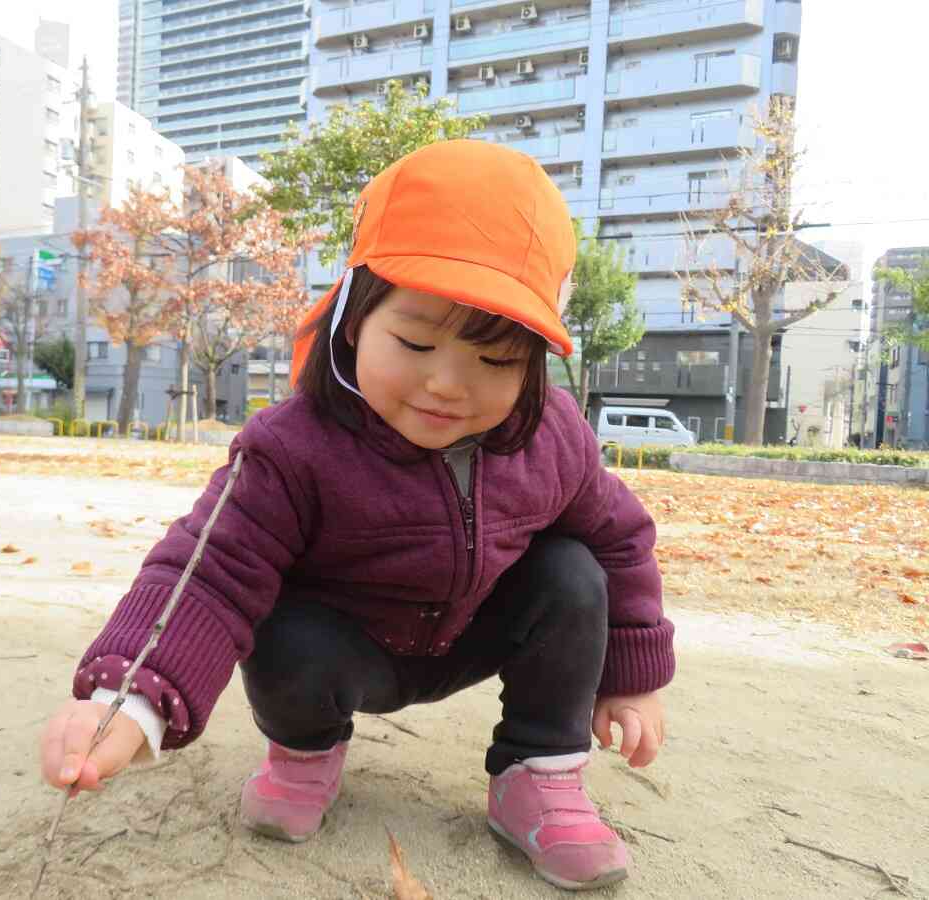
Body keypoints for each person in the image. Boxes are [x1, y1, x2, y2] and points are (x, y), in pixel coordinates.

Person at [39, 140, 674, 891]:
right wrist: (132, 699)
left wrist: (634, 678)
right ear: (352, 317)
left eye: (496, 361)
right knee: (280, 627)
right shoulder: (292, 447)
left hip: (475, 632)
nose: (447, 384)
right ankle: (304, 753)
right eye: (414, 341)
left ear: (534, 362)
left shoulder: (552, 437)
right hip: (344, 647)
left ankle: (539, 771)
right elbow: (207, 572)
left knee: (573, 572)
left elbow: (622, 538)